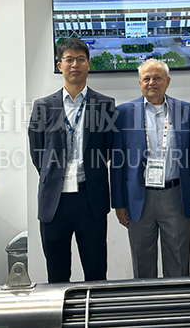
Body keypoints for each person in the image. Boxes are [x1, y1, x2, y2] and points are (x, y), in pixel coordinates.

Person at [28, 38, 115, 283]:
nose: (74, 64)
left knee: (96, 272)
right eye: (69, 59)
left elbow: (108, 148)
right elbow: (37, 152)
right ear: (60, 65)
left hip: (91, 199)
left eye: (80, 59)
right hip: (54, 202)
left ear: (89, 64)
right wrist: (55, 177)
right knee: (57, 274)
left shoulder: (105, 105)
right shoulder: (43, 106)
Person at [111, 59, 190, 278]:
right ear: (140, 82)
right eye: (147, 78)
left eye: (157, 78)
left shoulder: (186, 110)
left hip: (176, 196)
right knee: (142, 265)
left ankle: (177, 300)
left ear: (167, 81)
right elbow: (117, 162)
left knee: (178, 263)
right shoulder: (123, 113)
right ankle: (145, 301)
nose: (152, 82)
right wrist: (119, 203)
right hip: (138, 198)